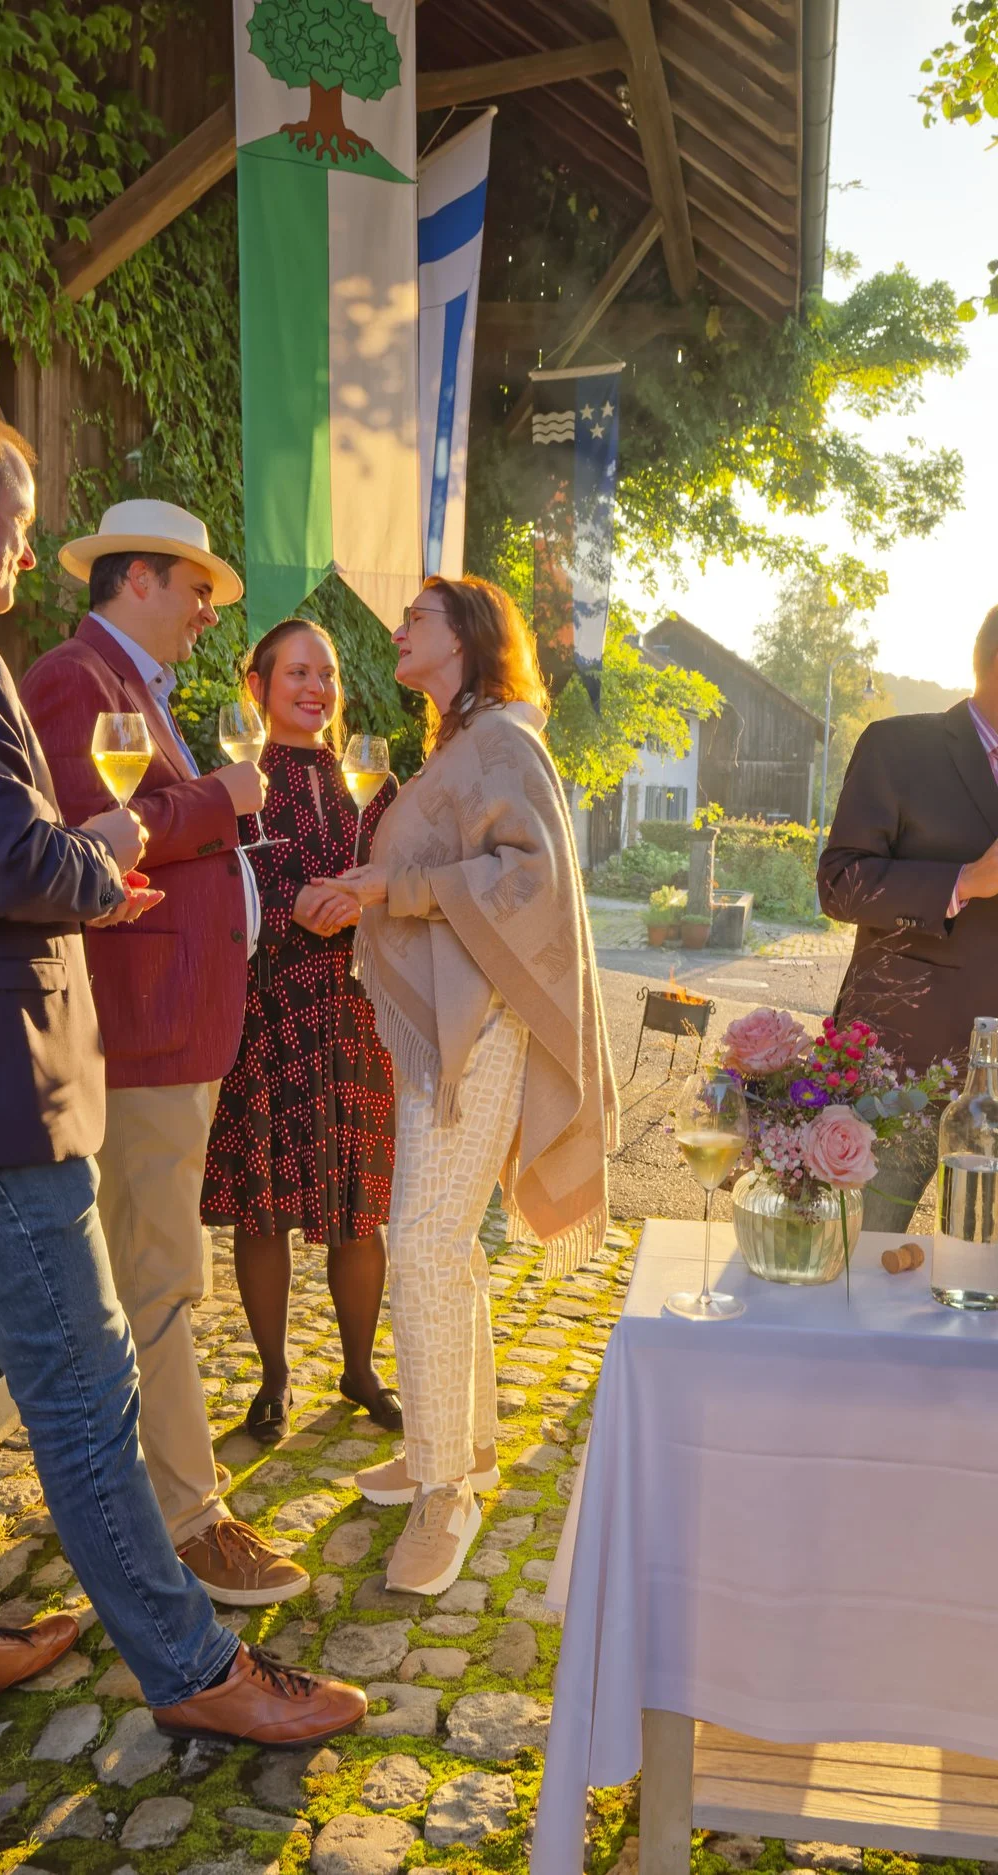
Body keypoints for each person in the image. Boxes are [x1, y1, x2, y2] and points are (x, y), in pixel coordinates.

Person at [0, 387, 361, 1745]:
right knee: (90, 1382)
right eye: (24, 525)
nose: (30, 561)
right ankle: (196, 1666)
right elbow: (6, 859)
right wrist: (105, 863)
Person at [16, 500, 307, 1608]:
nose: (205, 613)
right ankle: (189, 1522)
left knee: (150, 1277)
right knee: (158, 1281)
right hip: (137, 1023)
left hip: (174, 1021)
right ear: (139, 578)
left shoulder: (134, 689)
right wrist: (228, 801)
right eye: (196, 591)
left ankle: (137, 1500)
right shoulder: (74, 680)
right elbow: (97, 831)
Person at [331, 575, 615, 1597]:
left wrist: (390, 886)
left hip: (482, 1029)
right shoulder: (464, 742)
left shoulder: (503, 743)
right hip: (450, 1029)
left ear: (465, 638)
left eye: (416, 617)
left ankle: (444, 1491)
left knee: (424, 1243)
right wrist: (368, 892)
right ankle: (461, 1450)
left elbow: (527, 880)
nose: (398, 628)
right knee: (440, 1247)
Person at [817, 590, 998, 1242]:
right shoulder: (897, 749)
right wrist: (964, 880)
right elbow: (839, 885)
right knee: (849, 1263)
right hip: (902, 1069)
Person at [201, 619, 402, 1445]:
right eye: (297, 672)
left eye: (326, 674)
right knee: (264, 1209)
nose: (316, 687)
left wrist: (366, 898)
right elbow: (223, 888)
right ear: (258, 685)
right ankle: (275, 1378)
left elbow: (399, 875)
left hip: (355, 1013)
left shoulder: (371, 778)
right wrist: (294, 908)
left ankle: (359, 1369)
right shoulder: (234, 782)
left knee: (361, 1209)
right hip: (268, 1010)